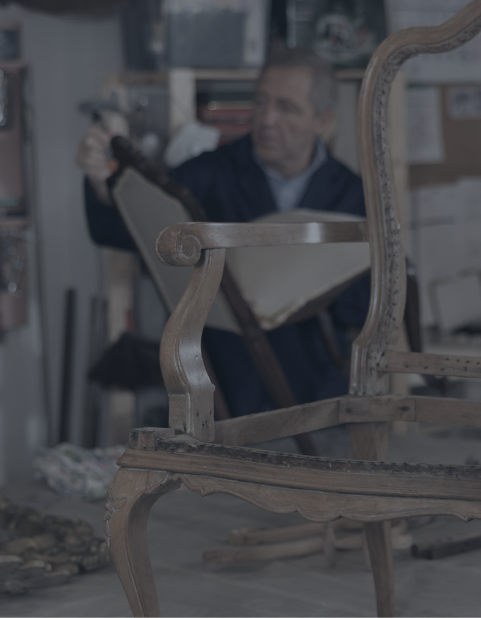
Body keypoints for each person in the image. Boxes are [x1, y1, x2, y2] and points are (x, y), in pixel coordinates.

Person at [78, 46, 368, 418]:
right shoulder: (209, 175)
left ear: (322, 119)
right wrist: (102, 186)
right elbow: (128, 232)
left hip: (318, 394)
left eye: (286, 108)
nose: (266, 119)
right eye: (260, 102)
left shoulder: (351, 194)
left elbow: (363, 306)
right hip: (224, 391)